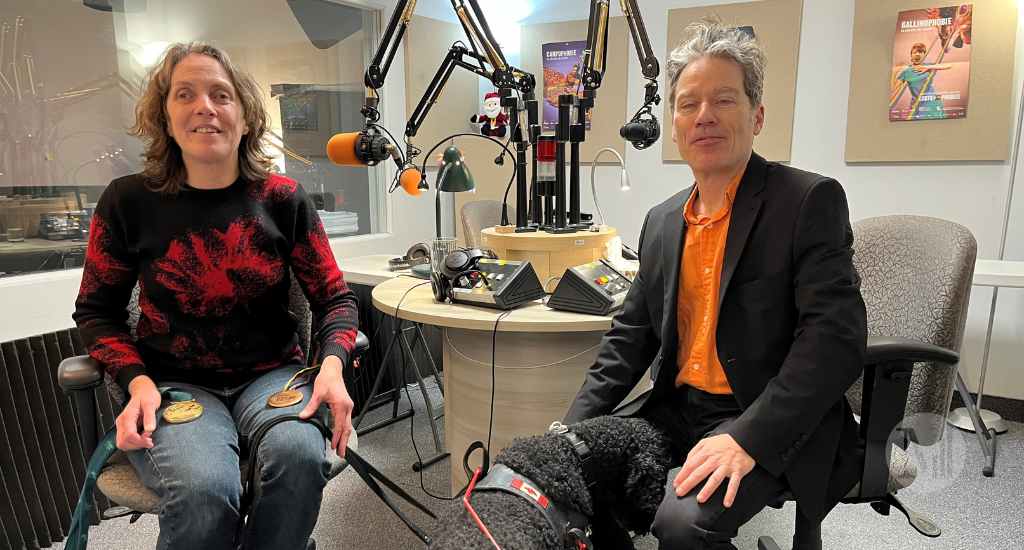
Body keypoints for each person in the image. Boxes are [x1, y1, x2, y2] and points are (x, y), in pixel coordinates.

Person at [563, 18, 867, 549]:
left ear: (758, 116)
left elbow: (833, 341)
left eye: (724, 100)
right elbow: (628, 340)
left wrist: (747, 438)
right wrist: (568, 432)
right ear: (675, 125)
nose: (704, 116)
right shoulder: (661, 221)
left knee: (682, 523)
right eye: (688, 104)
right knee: (577, 474)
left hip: (763, 410)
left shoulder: (806, 202)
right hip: (678, 410)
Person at [73, 42, 359, 550]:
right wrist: (136, 382)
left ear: (245, 116)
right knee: (206, 490)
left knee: (297, 460)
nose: (205, 106)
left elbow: (336, 300)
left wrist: (332, 364)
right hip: (175, 386)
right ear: (166, 116)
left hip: (272, 373)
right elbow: (97, 312)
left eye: (221, 94)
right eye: (185, 94)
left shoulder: (283, 199)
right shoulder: (127, 201)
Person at [891, 42, 952, 120]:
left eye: (920, 52)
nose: (917, 54)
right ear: (911, 56)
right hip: (917, 104)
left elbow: (949, 65)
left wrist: (928, 67)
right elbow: (892, 89)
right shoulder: (906, 72)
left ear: (924, 55)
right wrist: (894, 73)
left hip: (932, 102)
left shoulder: (928, 66)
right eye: (915, 52)